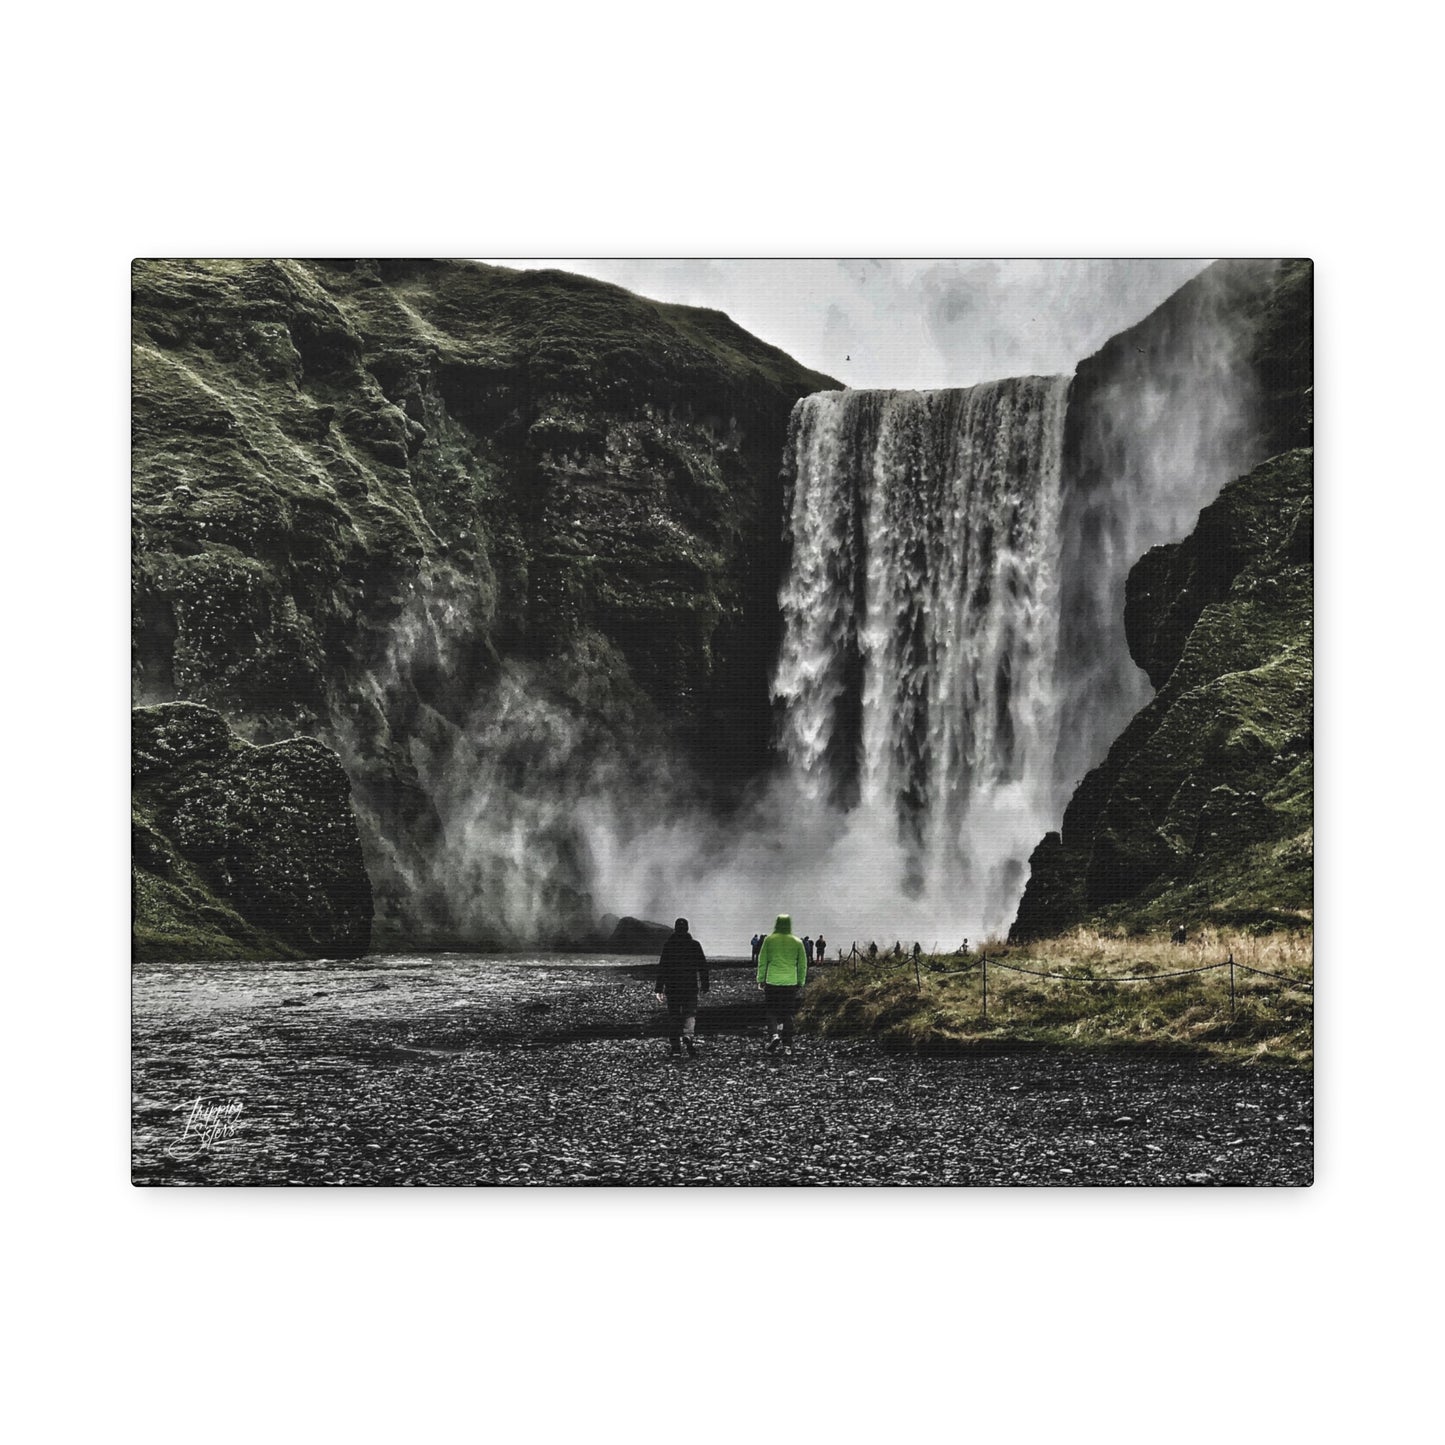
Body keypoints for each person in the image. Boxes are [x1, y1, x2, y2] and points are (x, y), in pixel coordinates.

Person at [655, 917, 709, 1057]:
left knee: (673, 1016)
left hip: (673, 988)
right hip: (690, 987)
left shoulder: (668, 945)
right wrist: (705, 984)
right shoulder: (695, 945)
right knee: (690, 1014)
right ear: (687, 929)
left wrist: (659, 989)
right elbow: (702, 966)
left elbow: (663, 968)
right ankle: (688, 1036)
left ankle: (676, 1049)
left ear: (675, 929)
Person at [756, 913, 807, 1056]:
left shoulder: (769, 940)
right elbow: (802, 965)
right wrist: (801, 981)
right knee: (788, 1013)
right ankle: (788, 1045)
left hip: (772, 981)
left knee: (771, 1011)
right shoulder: (797, 942)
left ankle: (774, 1035)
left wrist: (761, 979)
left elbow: (763, 961)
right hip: (790, 982)